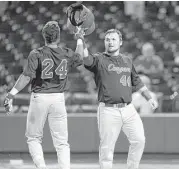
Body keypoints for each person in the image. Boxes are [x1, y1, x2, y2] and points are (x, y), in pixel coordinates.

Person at [3, 21, 84, 169]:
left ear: (43, 36)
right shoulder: (65, 52)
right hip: (58, 99)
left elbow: (26, 77)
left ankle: (41, 166)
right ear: (58, 37)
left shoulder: (37, 53)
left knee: (33, 137)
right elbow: (79, 57)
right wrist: (79, 38)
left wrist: (11, 94)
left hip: (40, 98)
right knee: (62, 142)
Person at [82, 29, 158, 169]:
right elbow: (86, 59)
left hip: (128, 109)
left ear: (120, 42)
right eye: (108, 39)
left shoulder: (127, 60)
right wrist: (81, 40)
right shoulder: (99, 59)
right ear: (104, 42)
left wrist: (149, 98)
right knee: (107, 149)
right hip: (108, 110)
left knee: (139, 140)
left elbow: (137, 81)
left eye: (113, 39)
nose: (110, 42)